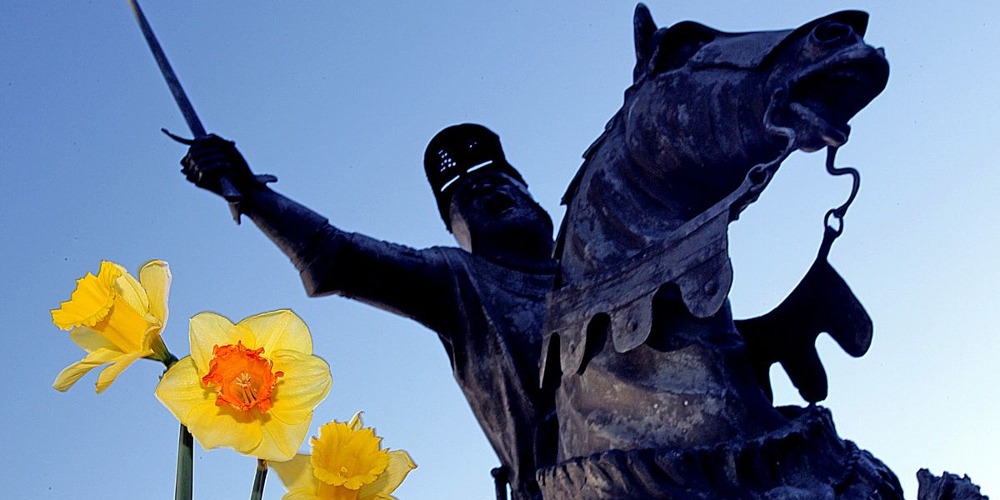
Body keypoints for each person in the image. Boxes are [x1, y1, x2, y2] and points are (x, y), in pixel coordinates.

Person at [178, 123, 556, 500]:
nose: (488, 188)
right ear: (460, 231)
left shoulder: (600, 257)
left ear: (537, 203)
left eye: (499, 180)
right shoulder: (459, 278)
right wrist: (251, 193)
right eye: (468, 195)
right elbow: (337, 256)